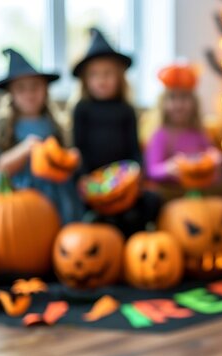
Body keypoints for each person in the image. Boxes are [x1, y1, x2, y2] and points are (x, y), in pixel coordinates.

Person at [72, 28, 160, 236]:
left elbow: (133, 147)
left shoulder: (126, 110)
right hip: (94, 183)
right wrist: (83, 178)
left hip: (123, 182)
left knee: (151, 202)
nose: (101, 80)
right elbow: (78, 147)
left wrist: (139, 173)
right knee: (86, 212)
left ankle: (126, 232)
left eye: (108, 73)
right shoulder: (82, 109)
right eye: (95, 74)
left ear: (120, 77)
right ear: (86, 80)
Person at [0, 48, 83, 224]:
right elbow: (0, 169)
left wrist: (70, 159)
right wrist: (25, 149)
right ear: (12, 95)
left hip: (56, 190)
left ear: (45, 90)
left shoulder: (55, 124)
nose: (30, 94)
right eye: (21, 89)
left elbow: (61, 160)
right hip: (22, 190)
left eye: (35, 87)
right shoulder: (5, 127)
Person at [144, 63, 222, 184]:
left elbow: (211, 154)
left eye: (184, 97)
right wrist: (168, 169)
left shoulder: (199, 133)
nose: (179, 104)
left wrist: (214, 158)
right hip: (172, 193)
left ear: (194, 103)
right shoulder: (161, 135)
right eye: (173, 98)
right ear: (163, 103)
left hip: (198, 189)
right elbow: (151, 170)